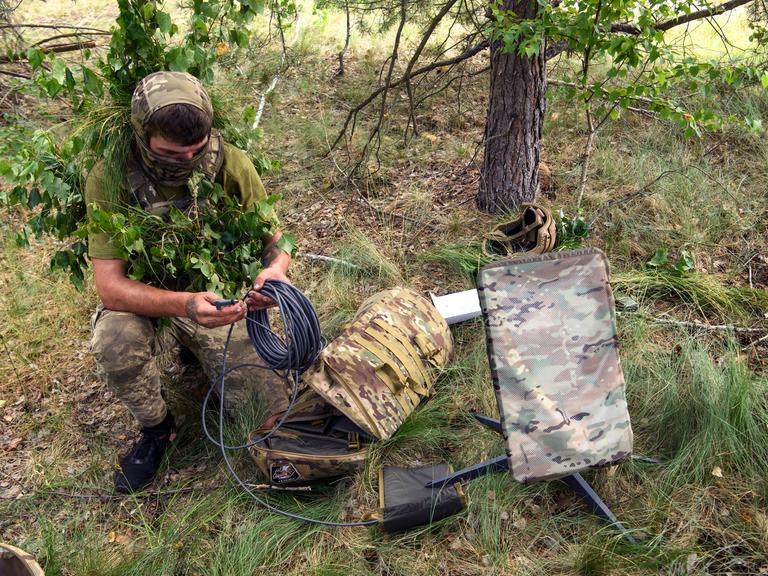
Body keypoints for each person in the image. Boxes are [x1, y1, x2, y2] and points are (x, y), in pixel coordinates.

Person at [85, 71, 292, 494]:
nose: (186, 162)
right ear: (142, 135)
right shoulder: (110, 175)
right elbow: (110, 286)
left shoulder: (229, 162)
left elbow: (278, 240)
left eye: (196, 151)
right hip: (151, 304)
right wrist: (183, 304)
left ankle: (206, 364)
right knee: (114, 340)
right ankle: (159, 429)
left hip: (219, 302)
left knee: (271, 411)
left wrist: (275, 271)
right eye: (170, 153)